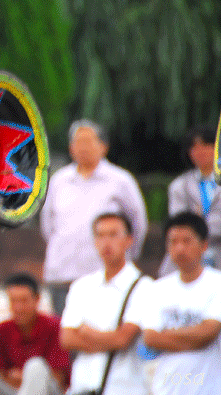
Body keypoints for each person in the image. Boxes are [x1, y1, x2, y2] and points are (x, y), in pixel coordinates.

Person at [40, 119, 147, 316]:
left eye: (88, 142)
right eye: (78, 142)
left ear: (103, 146)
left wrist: (126, 256)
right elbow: (48, 225)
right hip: (63, 273)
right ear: (71, 147)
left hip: (103, 273)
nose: (83, 148)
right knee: (67, 336)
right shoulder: (58, 180)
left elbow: (138, 223)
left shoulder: (120, 180)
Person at [60, 212, 153, 395]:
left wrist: (86, 332)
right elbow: (67, 339)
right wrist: (110, 339)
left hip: (124, 388)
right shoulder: (82, 286)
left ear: (128, 240)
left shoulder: (144, 286)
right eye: (100, 235)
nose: (106, 242)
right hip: (82, 387)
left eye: (113, 235)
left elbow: (124, 339)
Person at [142, 211, 221, 395]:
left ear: (204, 245)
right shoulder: (158, 288)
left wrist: (167, 337)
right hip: (166, 388)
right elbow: (150, 338)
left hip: (208, 388)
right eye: (173, 241)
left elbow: (209, 332)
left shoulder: (217, 284)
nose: (179, 248)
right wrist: (196, 338)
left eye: (187, 241)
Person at [159, 124, 221, 275]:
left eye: (206, 145)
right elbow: (180, 221)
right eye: (194, 147)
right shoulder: (179, 185)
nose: (200, 152)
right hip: (191, 247)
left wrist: (199, 224)